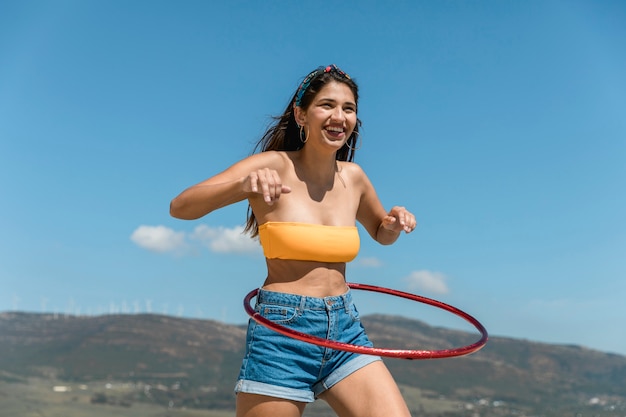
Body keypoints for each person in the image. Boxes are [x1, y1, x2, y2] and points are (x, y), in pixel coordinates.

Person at [170, 64, 416, 417]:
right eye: (327, 105)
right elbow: (180, 207)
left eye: (348, 109)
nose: (339, 116)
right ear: (301, 115)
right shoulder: (272, 165)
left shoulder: (354, 178)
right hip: (283, 331)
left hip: (344, 328)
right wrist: (242, 186)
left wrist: (393, 224)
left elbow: (381, 232)